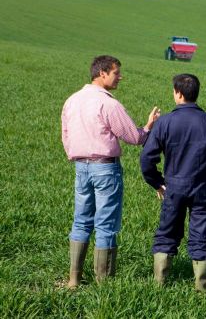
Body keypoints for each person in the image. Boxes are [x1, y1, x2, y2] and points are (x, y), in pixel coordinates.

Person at [61, 55, 160, 289]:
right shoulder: (108, 104)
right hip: (105, 168)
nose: (120, 77)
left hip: (80, 167)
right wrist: (148, 127)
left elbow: (66, 134)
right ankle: (103, 284)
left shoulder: (72, 100)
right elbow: (133, 137)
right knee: (106, 224)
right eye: (116, 73)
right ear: (102, 73)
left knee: (81, 221)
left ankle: (74, 280)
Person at [140, 73, 206, 292]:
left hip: (173, 187)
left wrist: (157, 182)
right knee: (201, 235)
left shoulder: (164, 122)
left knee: (166, 233)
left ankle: (159, 285)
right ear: (196, 93)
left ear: (178, 93)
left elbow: (147, 158)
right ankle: (203, 289)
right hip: (202, 187)